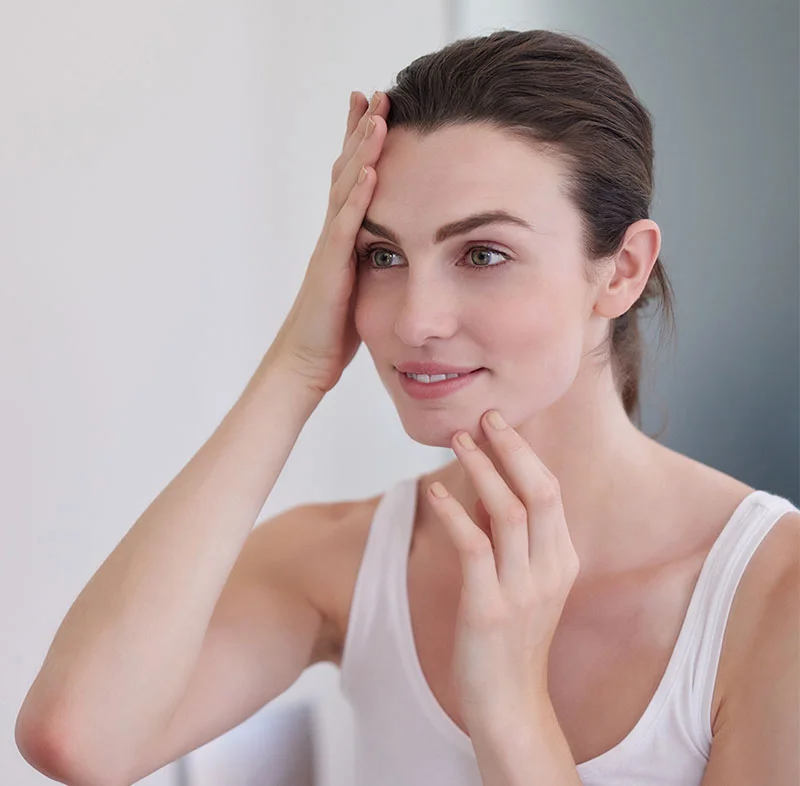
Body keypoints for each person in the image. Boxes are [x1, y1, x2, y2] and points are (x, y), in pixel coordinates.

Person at [16, 28, 799, 786]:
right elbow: (79, 740)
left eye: (483, 254)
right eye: (382, 255)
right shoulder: (350, 561)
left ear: (622, 270)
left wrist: (513, 713)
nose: (415, 319)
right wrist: (299, 365)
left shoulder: (772, 591)